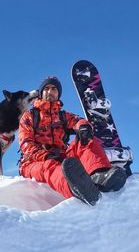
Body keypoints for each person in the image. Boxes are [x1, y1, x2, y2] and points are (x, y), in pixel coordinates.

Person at [18, 76, 127, 205]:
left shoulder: (63, 116)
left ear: (58, 93)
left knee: (85, 141)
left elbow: (77, 121)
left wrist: (84, 128)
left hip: (61, 157)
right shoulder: (30, 116)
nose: (50, 91)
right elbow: (26, 143)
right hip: (33, 162)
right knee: (49, 166)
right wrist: (46, 156)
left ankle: (99, 175)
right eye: (46, 88)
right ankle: (76, 188)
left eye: (54, 89)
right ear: (41, 92)